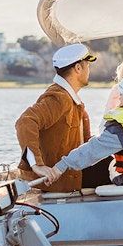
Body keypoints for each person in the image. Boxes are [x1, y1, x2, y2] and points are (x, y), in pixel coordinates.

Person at [37, 65, 123, 191]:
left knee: (105, 166)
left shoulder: (122, 128)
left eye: (121, 94)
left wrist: (61, 166)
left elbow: (92, 150)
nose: (119, 98)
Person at [15, 42, 96, 194]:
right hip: (57, 183)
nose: (89, 70)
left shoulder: (72, 99)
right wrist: (37, 165)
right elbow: (25, 122)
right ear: (78, 68)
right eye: (88, 65)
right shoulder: (59, 99)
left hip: (73, 175)